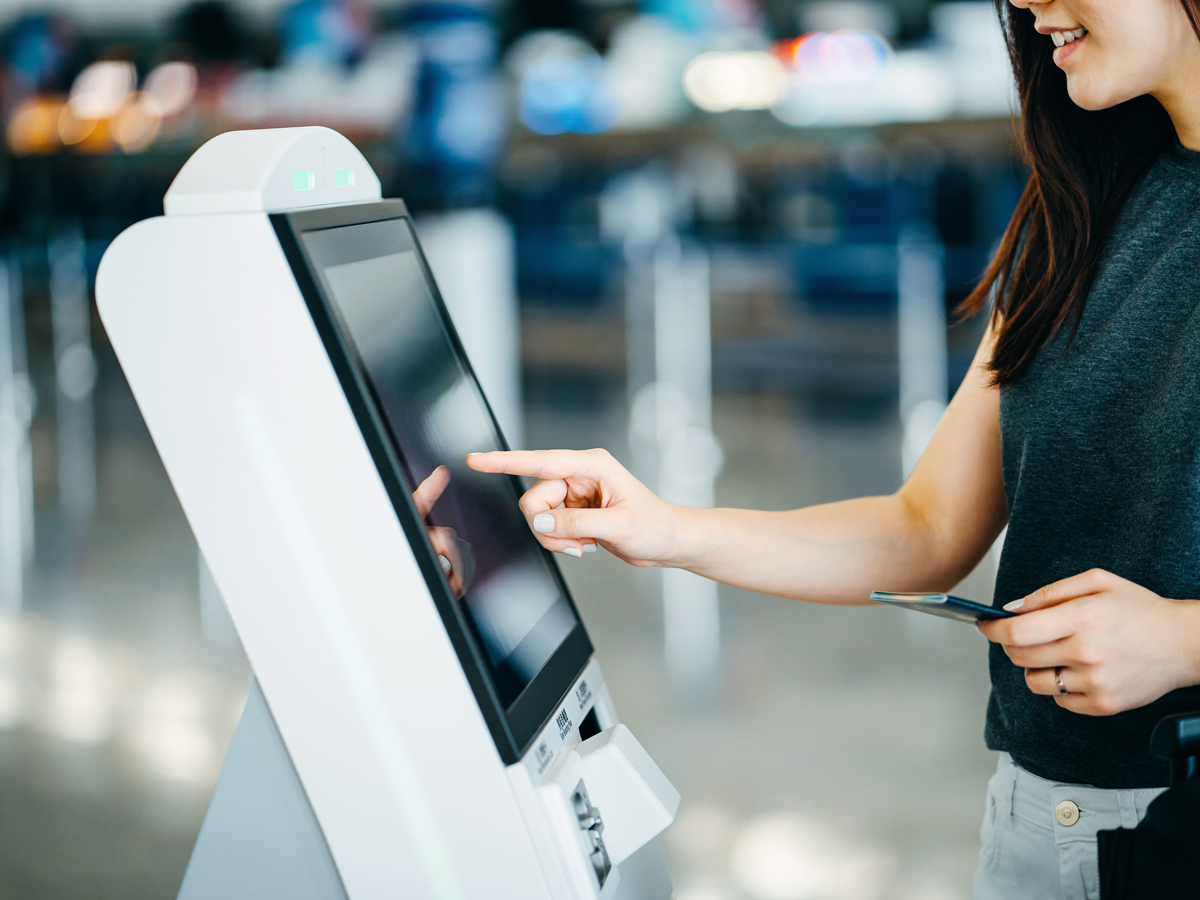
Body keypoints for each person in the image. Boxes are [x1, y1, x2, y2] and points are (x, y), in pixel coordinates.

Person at [466, 0, 1200, 896]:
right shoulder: (1080, 207)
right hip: (1037, 819)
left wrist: (1182, 640)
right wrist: (666, 530)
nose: (1027, 3)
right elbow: (924, 528)